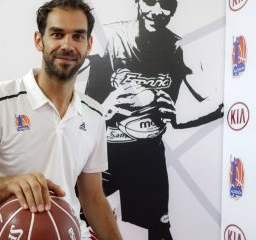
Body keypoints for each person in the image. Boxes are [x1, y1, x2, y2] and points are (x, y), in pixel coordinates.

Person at [0, 0, 122, 240]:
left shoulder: (94, 114)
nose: (67, 45)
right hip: (7, 234)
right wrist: (11, 185)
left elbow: (92, 197)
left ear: (89, 44)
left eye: (78, 37)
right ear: (39, 40)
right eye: (57, 34)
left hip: (69, 233)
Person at [84, 0, 223, 239]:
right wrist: (103, 110)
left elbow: (217, 103)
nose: (157, 11)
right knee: (78, 219)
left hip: (147, 155)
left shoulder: (177, 47)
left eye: (166, 4)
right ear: (137, 3)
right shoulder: (108, 37)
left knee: (159, 231)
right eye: (150, 1)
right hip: (102, 154)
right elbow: (62, 93)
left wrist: (179, 118)